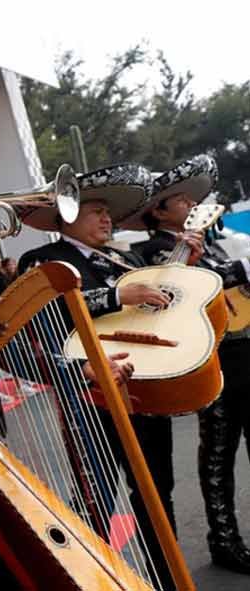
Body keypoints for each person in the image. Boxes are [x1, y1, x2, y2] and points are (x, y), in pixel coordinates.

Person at [18, 162, 203, 590]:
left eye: (108, 211)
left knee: (158, 492)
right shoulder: (43, 260)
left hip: (143, 391)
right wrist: (116, 294)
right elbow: (42, 315)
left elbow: (161, 312)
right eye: (94, 209)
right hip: (89, 399)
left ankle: (168, 576)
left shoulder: (129, 258)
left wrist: (182, 276)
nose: (106, 218)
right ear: (66, 214)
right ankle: (92, 581)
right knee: (94, 499)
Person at [122, 154, 250, 575]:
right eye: (180, 200)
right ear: (157, 211)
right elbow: (181, 290)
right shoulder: (152, 251)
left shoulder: (207, 241)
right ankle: (224, 540)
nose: (191, 206)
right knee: (218, 456)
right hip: (214, 361)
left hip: (243, 352)